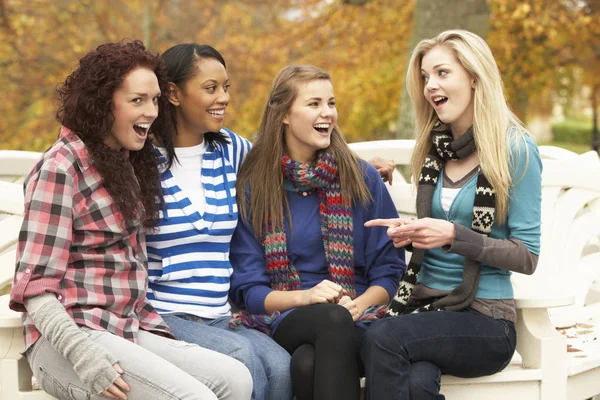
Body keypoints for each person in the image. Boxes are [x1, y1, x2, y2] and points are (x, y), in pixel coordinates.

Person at [9, 40, 252, 400]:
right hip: (69, 342)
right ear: (103, 102)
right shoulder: (61, 168)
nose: (152, 111)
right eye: (137, 100)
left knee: (235, 378)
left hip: (125, 327)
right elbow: (35, 291)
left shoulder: (127, 162)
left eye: (154, 100)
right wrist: (85, 357)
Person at [362, 29, 542, 400]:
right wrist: (412, 231)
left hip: (486, 319)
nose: (430, 86)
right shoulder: (434, 149)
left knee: (381, 338)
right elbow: (437, 227)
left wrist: (452, 236)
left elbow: (527, 256)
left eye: (442, 73)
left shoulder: (514, 149)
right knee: (416, 380)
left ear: (475, 77)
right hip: (425, 309)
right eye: (426, 77)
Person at [228, 64, 406, 400]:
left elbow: (389, 270)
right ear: (283, 114)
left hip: (360, 319)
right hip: (285, 317)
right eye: (314, 104)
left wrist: (358, 304)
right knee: (330, 321)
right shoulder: (257, 185)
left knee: (308, 364)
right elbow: (247, 290)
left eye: (331, 103)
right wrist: (305, 298)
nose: (327, 113)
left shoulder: (361, 178)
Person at [145, 43, 293, 400]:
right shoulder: (141, 160)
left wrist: (363, 167)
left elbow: (293, 161)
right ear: (174, 93)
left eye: (226, 87)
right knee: (241, 358)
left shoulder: (231, 149)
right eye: (211, 88)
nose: (223, 97)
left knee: (281, 365)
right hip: (161, 315)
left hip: (220, 315)